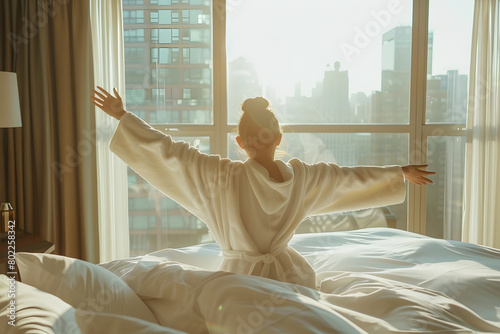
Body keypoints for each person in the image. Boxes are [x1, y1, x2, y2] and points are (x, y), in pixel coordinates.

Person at [91, 86, 435, 289]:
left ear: (243, 141)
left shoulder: (228, 176)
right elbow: (343, 177)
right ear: (266, 139)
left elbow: (170, 154)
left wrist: (124, 118)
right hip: (284, 276)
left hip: (243, 279)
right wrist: (396, 173)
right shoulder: (286, 177)